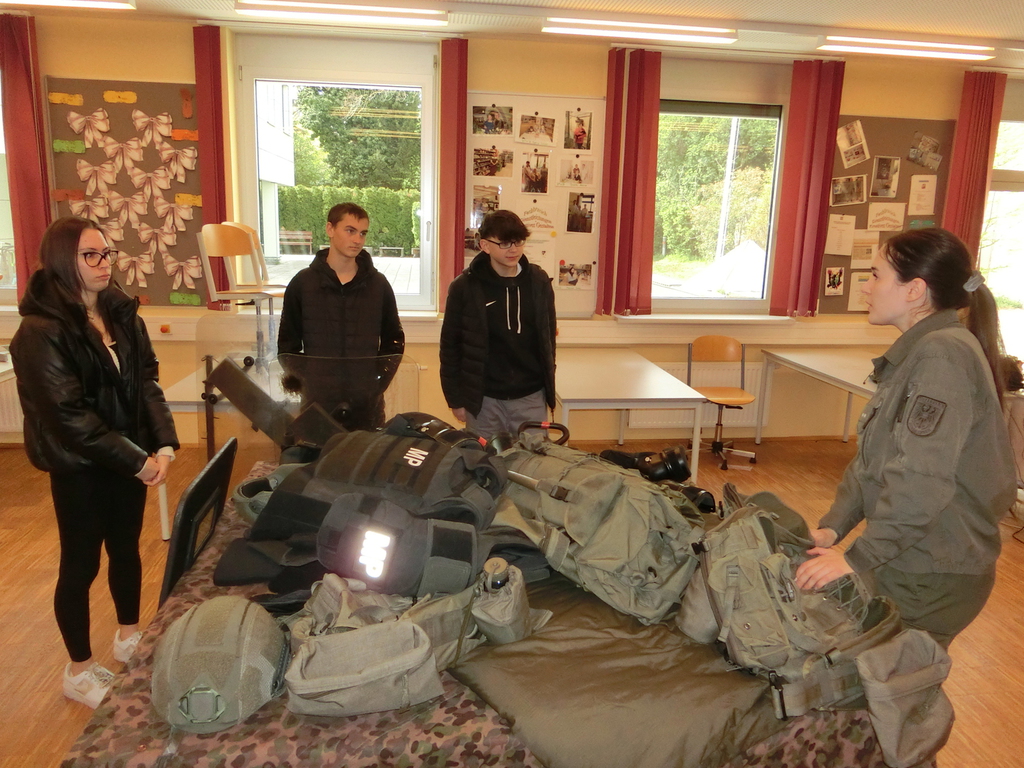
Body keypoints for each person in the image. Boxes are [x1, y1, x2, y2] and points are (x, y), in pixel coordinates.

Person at [794, 228, 1016, 648]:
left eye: (876, 275)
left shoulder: (942, 355)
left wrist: (856, 559)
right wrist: (833, 529)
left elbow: (920, 479)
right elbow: (875, 461)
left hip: (930, 573)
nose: (865, 287)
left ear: (914, 290)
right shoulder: (924, 349)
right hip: (915, 560)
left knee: (885, 683)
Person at [10, 216, 179, 707]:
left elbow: (146, 382)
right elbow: (69, 418)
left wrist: (163, 444)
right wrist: (137, 461)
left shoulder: (122, 314)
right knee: (80, 566)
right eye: (91, 255)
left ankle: (128, 637)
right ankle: (78, 671)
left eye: (107, 253)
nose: (104, 263)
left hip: (126, 460)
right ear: (64, 261)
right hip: (79, 468)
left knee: (126, 550)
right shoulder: (40, 331)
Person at [277, 202, 405, 430]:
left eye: (362, 233)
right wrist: (310, 382)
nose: (357, 240)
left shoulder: (378, 285)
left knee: (365, 454)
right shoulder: (302, 284)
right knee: (317, 453)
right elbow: (288, 347)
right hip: (318, 404)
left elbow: (393, 341)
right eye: (350, 231)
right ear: (330, 229)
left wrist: (375, 385)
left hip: (366, 406)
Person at [440, 209, 556, 439]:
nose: (513, 249)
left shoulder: (539, 281)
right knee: (484, 458)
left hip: (531, 395)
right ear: (485, 245)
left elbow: (548, 339)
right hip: (483, 400)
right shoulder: (464, 287)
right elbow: (450, 348)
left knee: (533, 458)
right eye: (504, 243)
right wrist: (455, 399)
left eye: (518, 241)